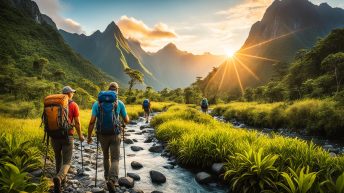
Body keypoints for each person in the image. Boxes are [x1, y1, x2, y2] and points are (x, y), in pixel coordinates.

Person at [87, 82, 129, 191]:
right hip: (115, 134)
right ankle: (112, 180)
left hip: (102, 134)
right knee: (115, 158)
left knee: (106, 156)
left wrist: (89, 136)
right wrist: (122, 121)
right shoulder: (119, 103)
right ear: (117, 91)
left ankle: (106, 178)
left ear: (108, 90)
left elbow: (92, 122)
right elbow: (126, 120)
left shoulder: (97, 104)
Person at [53, 86, 84, 193]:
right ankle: (59, 178)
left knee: (58, 158)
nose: (73, 94)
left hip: (54, 135)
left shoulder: (55, 104)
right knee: (67, 161)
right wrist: (80, 135)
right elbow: (77, 123)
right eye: (72, 92)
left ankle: (60, 183)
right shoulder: (73, 105)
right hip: (67, 136)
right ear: (69, 94)